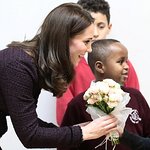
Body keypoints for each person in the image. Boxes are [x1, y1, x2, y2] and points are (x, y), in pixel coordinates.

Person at [0, 3, 118, 149]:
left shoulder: (28, 63)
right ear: (63, 39)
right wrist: (83, 132)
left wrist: (80, 130)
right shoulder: (18, 65)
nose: (90, 49)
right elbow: (30, 136)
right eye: (86, 42)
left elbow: (32, 125)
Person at [56, 0, 140, 126]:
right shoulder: (69, 66)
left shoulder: (125, 66)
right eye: (89, 26)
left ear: (109, 27)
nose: (94, 33)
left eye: (100, 26)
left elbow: (135, 107)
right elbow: (65, 116)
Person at [60, 39, 150, 150]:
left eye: (127, 61)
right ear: (100, 67)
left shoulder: (136, 97)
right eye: (121, 61)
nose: (127, 66)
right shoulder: (78, 104)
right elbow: (65, 144)